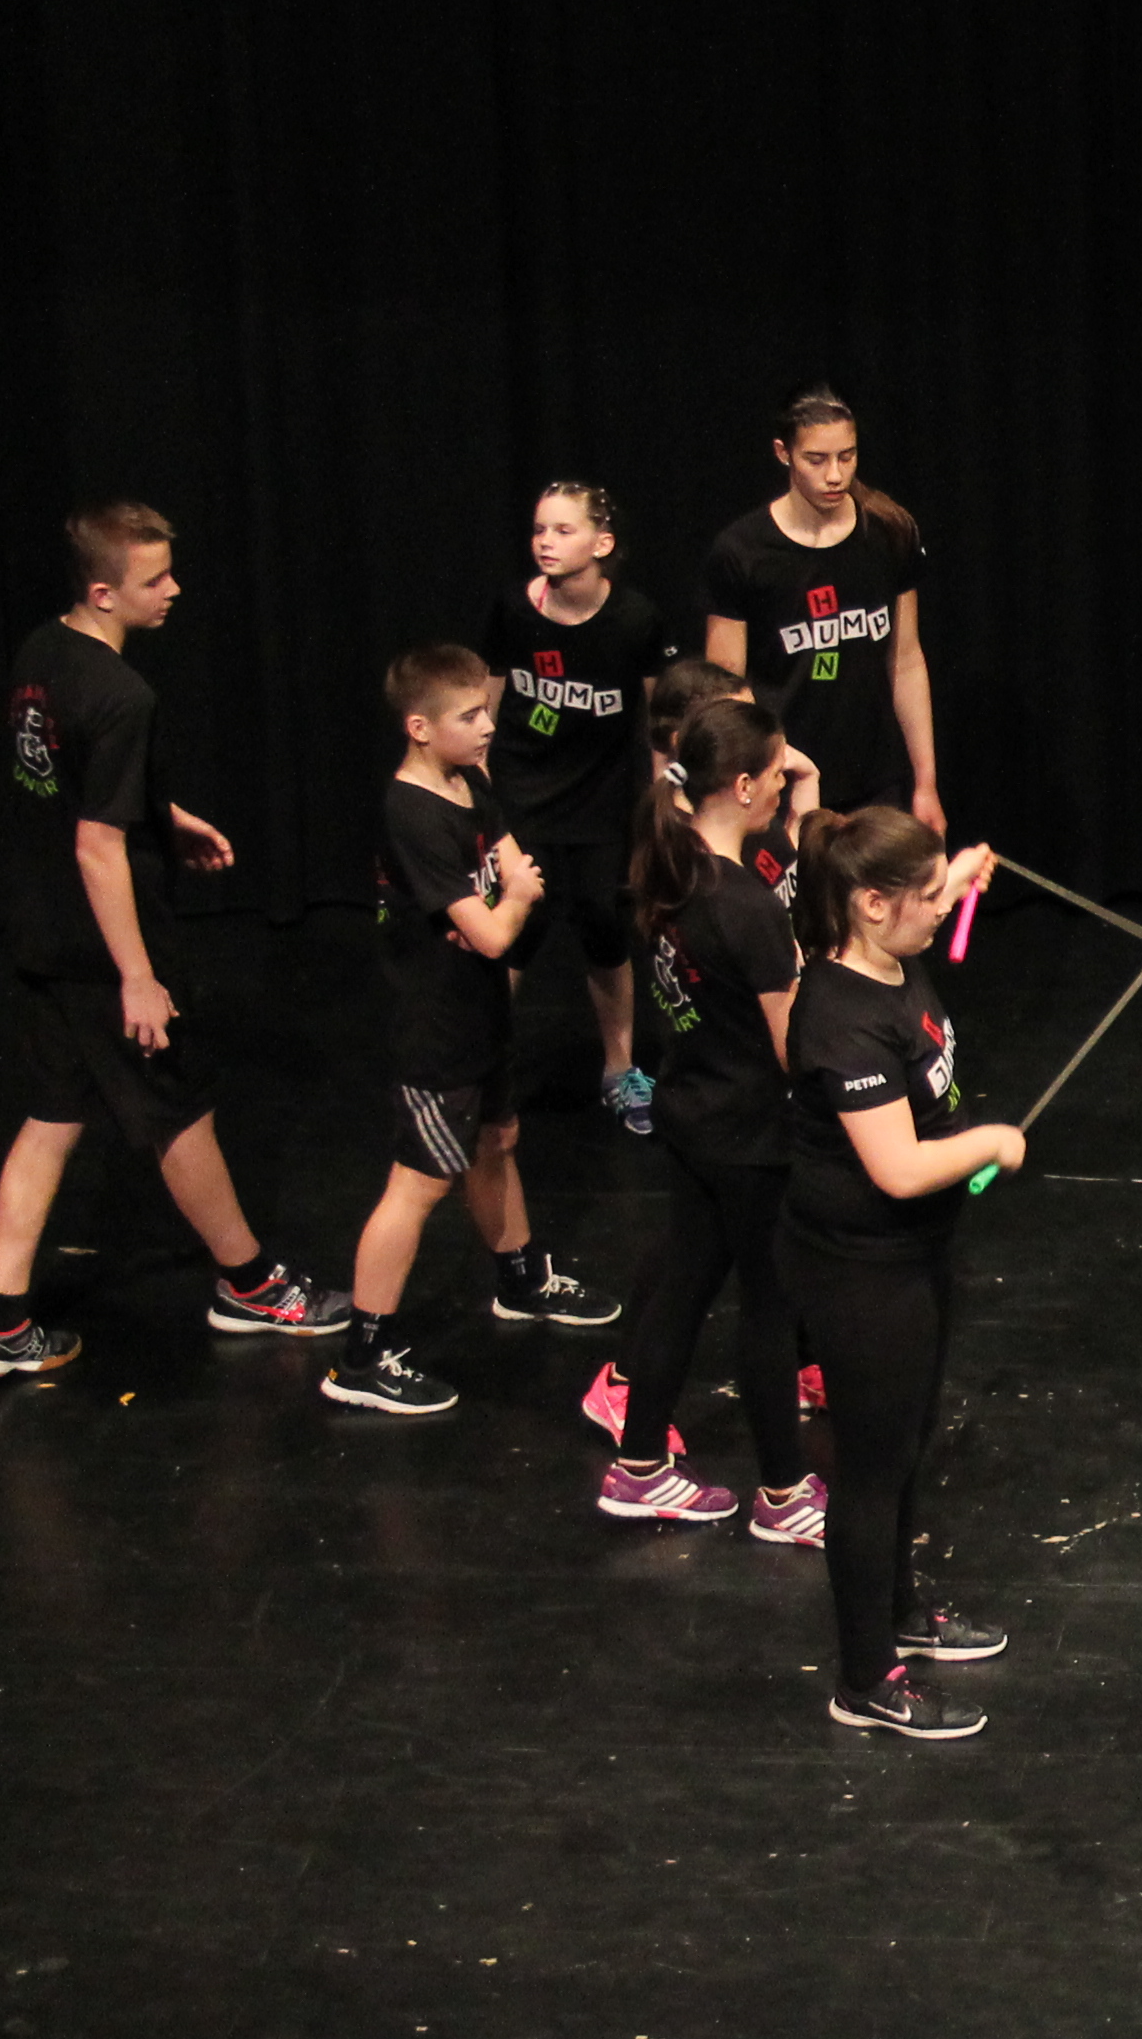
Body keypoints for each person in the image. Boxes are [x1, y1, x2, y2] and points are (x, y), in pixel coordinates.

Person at [0, 503, 339, 1380]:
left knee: (52, 1115)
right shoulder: (123, 694)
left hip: (40, 930)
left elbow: (70, 785)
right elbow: (95, 846)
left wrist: (161, 816)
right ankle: (250, 1284)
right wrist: (137, 976)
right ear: (104, 593)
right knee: (179, 1109)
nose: (174, 589)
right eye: (155, 579)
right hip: (101, 942)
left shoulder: (41, 651)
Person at [322, 646, 618, 1419]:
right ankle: (362, 1355)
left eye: (485, 710)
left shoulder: (469, 782)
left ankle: (519, 1279)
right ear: (419, 727)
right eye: (468, 716)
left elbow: (516, 868)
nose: (488, 725)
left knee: (497, 1141)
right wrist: (513, 899)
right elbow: (492, 932)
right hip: (436, 1027)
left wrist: (512, 892)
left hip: (482, 1013)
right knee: (417, 1184)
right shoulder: (413, 812)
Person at [776, 806, 1014, 1737]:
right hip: (861, 1273)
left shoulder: (887, 949)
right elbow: (900, 1167)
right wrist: (993, 1140)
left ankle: (902, 1612)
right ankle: (866, 1677)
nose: (938, 910)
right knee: (871, 1473)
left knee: (906, 1444)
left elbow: (918, 899)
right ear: (872, 905)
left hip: (915, 1255)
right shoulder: (841, 1020)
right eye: (924, 898)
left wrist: (956, 870)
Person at [591, 696, 825, 1539]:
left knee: (684, 1287)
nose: (784, 783)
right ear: (744, 784)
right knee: (770, 1307)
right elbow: (795, 1050)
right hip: (751, 1134)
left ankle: (638, 1467)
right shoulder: (747, 907)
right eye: (776, 772)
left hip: (692, 1110)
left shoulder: (671, 863)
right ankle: (785, 1495)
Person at [480, 481, 678, 1132]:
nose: (545, 542)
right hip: (523, 799)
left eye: (563, 530)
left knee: (604, 929)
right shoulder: (514, 610)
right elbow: (485, 701)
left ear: (602, 543)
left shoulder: (635, 620)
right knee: (514, 931)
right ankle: (481, 1070)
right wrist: (479, 791)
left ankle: (620, 1071)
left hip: (602, 805)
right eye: (540, 529)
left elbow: (657, 718)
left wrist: (662, 803)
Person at [701, 385, 941, 831]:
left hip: (875, 779)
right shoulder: (743, 551)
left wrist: (925, 783)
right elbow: (726, 685)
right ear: (784, 453)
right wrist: (765, 772)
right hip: (784, 782)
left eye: (847, 457)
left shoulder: (888, 533)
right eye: (816, 460)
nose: (835, 475)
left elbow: (906, 659)